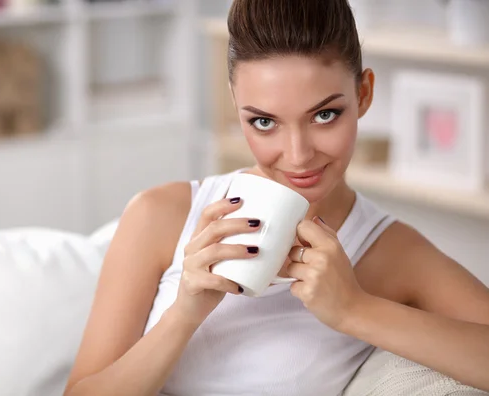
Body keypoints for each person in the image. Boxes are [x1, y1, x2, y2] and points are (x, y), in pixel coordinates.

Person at [64, 0, 489, 394]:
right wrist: (184, 313)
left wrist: (354, 310)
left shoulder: (393, 253)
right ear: (237, 105)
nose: (299, 155)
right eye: (265, 122)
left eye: (325, 115)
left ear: (363, 95)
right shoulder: (159, 216)